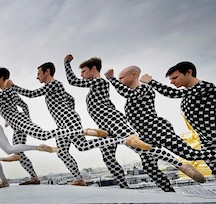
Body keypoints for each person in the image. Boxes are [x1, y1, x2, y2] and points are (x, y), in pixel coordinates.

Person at [9, 62, 150, 186]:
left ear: (47, 72)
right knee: (62, 152)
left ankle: (119, 139)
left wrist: (13, 86)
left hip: (67, 120)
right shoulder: (56, 88)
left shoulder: (54, 84)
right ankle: (78, 179)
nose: (37, 77)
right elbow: (71, 99)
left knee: (82, 146)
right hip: (63, 123)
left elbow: (32, 94)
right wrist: (68, 112)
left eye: (39, 73)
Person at [0, 67, 111, 185]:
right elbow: (24, 105)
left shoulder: (3, 93)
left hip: (20, 122)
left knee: (43, 135)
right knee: (18, 153)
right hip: (19, 124)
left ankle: (83, 131)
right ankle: (34, 177)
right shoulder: (11, 93)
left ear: (1, 78)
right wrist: (18, 120)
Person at [64, 54, 184, 191]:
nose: (81, 75)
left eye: (83, 71)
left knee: (139, 147)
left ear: (93, 69)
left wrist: (66, 64)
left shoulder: (99, 82)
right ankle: (124, 186)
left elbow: (73, 81)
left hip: (112, 120)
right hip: (104, 126)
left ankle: (179, 165)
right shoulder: (95, 86)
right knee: (108, 157)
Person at [106, 65, 206, 182]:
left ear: (134, 75)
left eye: (121, 77)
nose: (120, 81)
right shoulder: (133, 97)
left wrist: (111, 79)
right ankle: (169, 192)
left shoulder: (144, 89)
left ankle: (205, 158)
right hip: (145, 134)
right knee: (149, 167)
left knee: (188, 154)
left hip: (156, 128)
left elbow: (127, 94)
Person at [141, 61, 216, 174]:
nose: (172, 82)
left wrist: (151, 82)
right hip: (206, 140)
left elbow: (173, 94)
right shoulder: (188, 96)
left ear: (189, 72)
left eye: (175, 78)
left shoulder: (206, 87)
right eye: (171, 79)